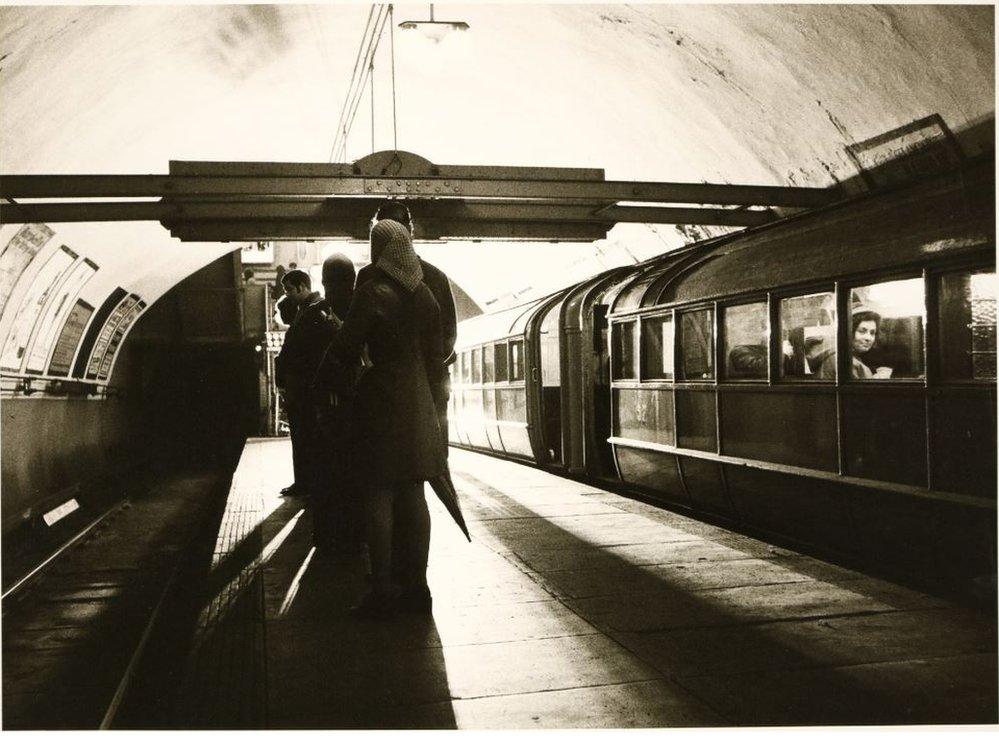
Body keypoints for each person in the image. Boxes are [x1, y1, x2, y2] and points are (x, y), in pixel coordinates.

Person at [327, 220, 447, 617]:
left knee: (378, 494)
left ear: (379, 250)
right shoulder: (426, 295)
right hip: (419, 402)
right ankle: (420, 586)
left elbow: (345, 348)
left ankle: (381, 589)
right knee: (415, 494)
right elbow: (438, 351)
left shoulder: (373, 292)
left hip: (382, 402)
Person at [357, 201, 457, 450]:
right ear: (410, 231)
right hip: (431, 381)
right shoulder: (435, 277)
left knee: (388, 457)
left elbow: (356, 336)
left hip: (385, 386)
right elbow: (449, 335)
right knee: (432, 456)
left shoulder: (367, 278)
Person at [310, 254, 362, 552]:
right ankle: (356, 535)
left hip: (328, 408)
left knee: (327, 473)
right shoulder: (364, 307)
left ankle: (329, 537)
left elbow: (298, 359)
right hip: (360, 405)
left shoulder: (317, 313)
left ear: (325, 281)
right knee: (355, 473)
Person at [274, 269, 333, 497]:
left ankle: (308, 483)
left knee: (305, 436)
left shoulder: (314, 310)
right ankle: (305, 482)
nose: (287, 294)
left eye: (289, 289)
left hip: (304, 387)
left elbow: (306, 352)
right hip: (300, 386)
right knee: (303, 436)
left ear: (301, 286)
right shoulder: (306, 309)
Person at [817, 308, 893, 379]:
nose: (868, 338)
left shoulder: (841, 355)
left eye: (872, 333)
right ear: (849, 332)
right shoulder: (846, 361)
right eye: (862, 331)